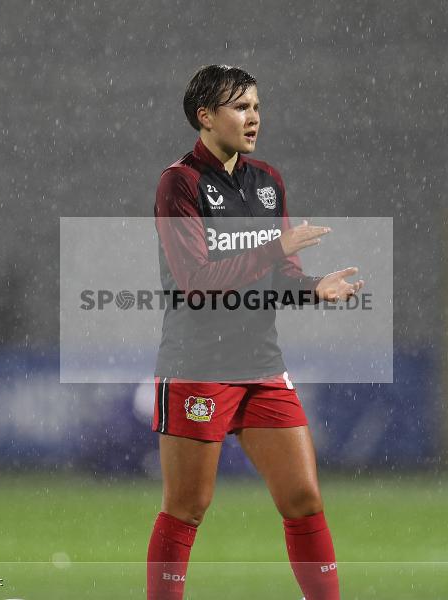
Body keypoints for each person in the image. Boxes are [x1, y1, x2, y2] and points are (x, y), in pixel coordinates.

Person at [148, 64, 364, 600]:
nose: (253, 118)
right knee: (187, 509)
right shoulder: (179, 183)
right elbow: (197, 281)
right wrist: (275, 252)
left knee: (303, 498)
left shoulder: (267, 182)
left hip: (262, 365)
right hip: (199, 366)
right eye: (240, 107)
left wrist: (312, 287)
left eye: (257, 107)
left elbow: (279, 277)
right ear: (205, 116)